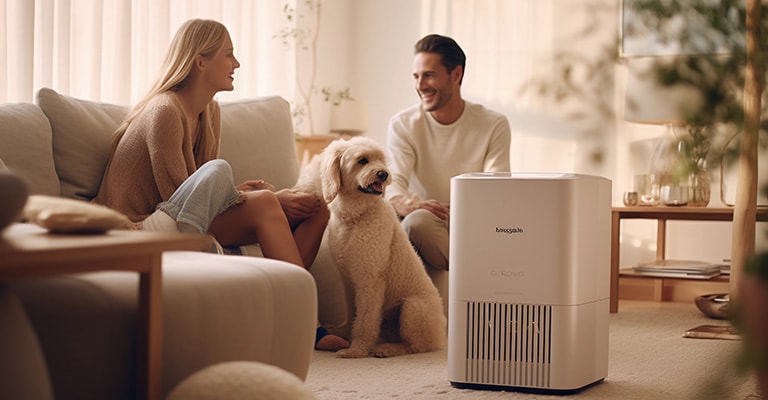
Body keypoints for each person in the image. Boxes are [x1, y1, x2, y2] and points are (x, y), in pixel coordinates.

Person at [92, 19, 347, 351]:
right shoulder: (164, 111)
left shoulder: (209, 112)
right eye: (228, 55)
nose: (236, 64)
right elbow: (179, 199)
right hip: (140, 227)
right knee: (255, 193)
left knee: (316, 211)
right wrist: (256, 197)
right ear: (200, 62)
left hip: (183, 217)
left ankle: (272, 306)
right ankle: (307, 326)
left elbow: (197, 190)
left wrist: (242, 193)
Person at [386, 34, 511, 272]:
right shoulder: (403, 124)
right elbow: (394, 183)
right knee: (417, 222)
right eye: (417, 76)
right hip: (427, 223)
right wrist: (407, 204)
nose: (420, 85)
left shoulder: (493, 124)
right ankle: (480, 276)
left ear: (456, 75)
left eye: (429, 75)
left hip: (475, 223)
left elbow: (497, 188)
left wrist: (462, 214)